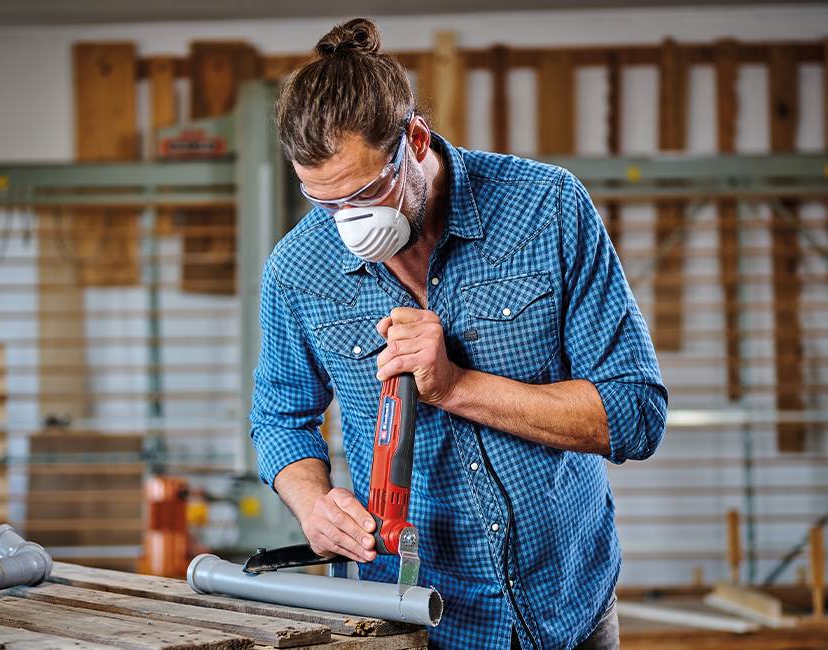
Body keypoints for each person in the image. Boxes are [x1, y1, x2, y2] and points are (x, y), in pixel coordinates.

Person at [249, 17, 667, 650]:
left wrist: (453, 386)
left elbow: (635, 415)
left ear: (416, 139)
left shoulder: (545, 208)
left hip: (566, 607)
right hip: (408, 621)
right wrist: (312, 503)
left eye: (367, 193)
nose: (350, 225)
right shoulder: (297, 270)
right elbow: (280, 419)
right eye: (326, 204)